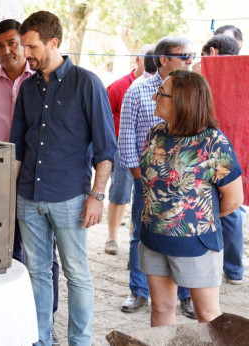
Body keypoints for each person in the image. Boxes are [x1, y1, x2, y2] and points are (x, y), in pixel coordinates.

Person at [11, 11, 116, 345]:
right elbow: (16, 149)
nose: (25, 54)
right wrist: (8, 197)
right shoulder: (27, 89)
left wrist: (97, 196)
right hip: (28, 196)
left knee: (77, 274)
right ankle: (41, 340)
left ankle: (79, 342)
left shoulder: (87, 83)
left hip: (70, 197)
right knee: (37, 274)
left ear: (52, 42)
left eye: (31, 46)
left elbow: (105, 150)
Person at [0, 18, 61, 344]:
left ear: (25, 42)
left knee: (44, 257)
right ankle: (13, 324)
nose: (6, 50)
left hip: (40, 185)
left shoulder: (46, 81)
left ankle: (45, 323)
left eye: (12, 43)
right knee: (5, 255)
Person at [139, 70, 243, 326]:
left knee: (207, 316)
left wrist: (199, 219)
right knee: (161, 308)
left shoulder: (213, 142)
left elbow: (234, 198)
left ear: (182, 100)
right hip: (153, 237)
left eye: (161, 93)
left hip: (195, 243)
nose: (154, 97)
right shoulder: (156, 133)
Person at [118, 36, 197, 317]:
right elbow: (126, 136)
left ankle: (186, 294)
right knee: (141, 234)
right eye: (184, 55)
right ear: (164, 60)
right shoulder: (137, 91)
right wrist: (140, 176)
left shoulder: (193, 93)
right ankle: (138, 291)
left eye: (192, 55)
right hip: (147, 181)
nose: (191, 60)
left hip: (186, 182)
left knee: (184, 236)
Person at [199, 33, 246, 285]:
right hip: (238, 149)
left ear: (214, 53)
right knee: (233, 210)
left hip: (215, 150)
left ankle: (221, 264)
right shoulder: (244, 73)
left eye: (205, 55)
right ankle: (234, 269)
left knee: (226, 208)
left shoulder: (212, 73)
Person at [104, 45, 155, 255]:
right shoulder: (119, 86)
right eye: (147, 59)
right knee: (119, 192)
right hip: (122, 145)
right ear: (138, 60)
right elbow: (105, 119)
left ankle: (137, 241)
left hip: (150, 150)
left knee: (144, 198)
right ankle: (112, 238)